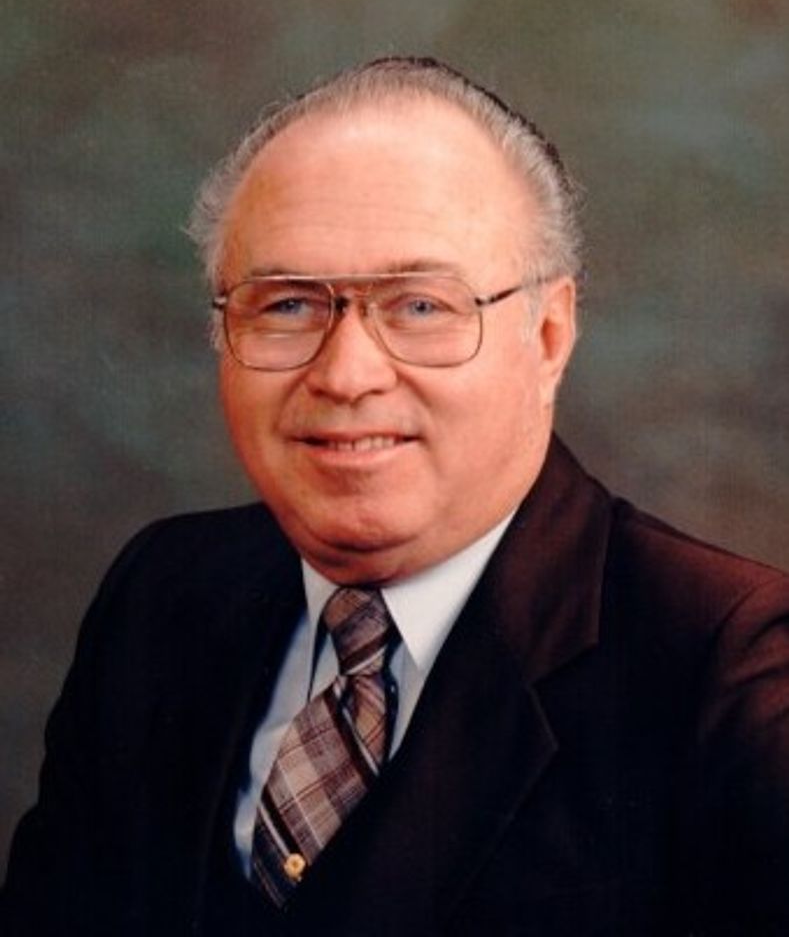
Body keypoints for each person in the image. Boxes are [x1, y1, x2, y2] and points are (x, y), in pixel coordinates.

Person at [3, 56, 789, 937]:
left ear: (547, 335)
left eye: (420, 306)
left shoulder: (733, 669)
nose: (346, 375)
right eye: (287, 305)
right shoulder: (163, 595)